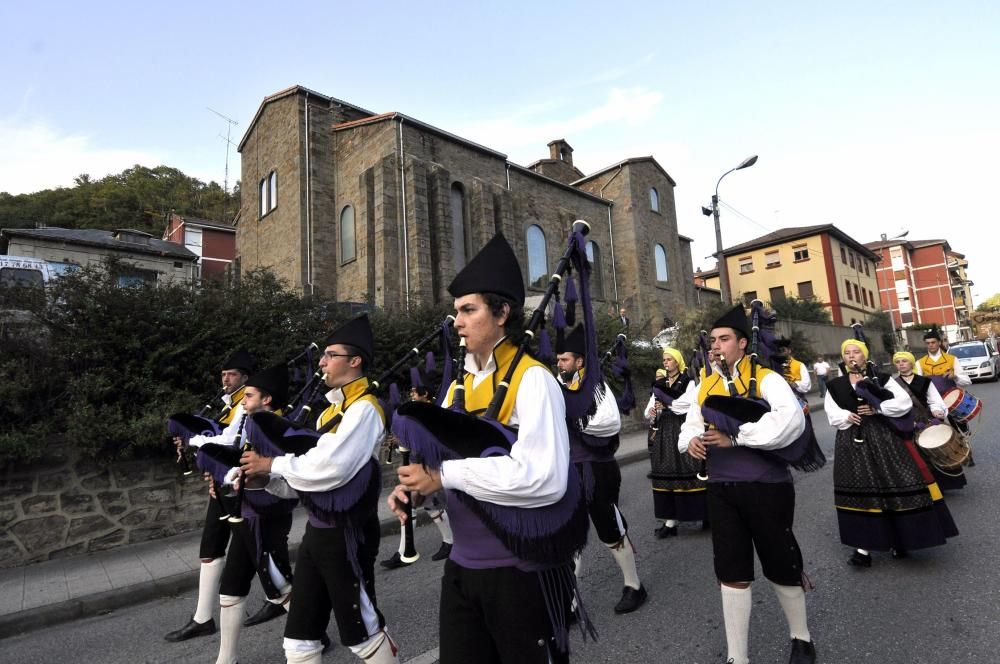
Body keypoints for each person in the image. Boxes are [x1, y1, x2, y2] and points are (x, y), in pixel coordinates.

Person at [389, 233, 581, 664]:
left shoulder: (534, 380)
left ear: (502, 313)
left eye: (468, 310)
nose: (456, 321)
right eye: (456, 311)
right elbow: (443, 462)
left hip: (521, 572)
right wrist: (419, 491)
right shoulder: (456, 387)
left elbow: (543, 479)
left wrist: (443, 477)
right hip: (462, 567)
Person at [240, 314, 400, 664]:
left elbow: (333, 470)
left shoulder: (365, 409)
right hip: (318, 531)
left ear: (354, 361)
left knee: (363, 631)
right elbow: (306, 480)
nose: (322, 362)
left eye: (330, 355)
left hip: (347, 533)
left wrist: (273, 465)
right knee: (299, 637)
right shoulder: (331, 411)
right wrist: (266, 480)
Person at [679, 304, 816, 664]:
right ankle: (737, 657)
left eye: (724, 339)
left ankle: (801, 638)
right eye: (713, 340)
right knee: (731, 569)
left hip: (767, 486)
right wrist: (691, 441)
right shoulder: (705, 383)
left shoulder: (767, 379)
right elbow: (691, 424)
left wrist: (738, 439)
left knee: (780, 562)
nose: (716, 346)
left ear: (742, 343)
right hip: (722, 489)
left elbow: (790, 424)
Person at [166, 348, 280, 642]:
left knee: (259, 554)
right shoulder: (234, 406)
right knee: (211, 548)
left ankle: (291, 609)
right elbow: (226, 437)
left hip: (248, 490)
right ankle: (203, 618)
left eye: (231, 375)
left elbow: (240, 445)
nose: (225, 380)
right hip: (225, 484)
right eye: (223, 375)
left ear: (245, 377)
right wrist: (197, 445)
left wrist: (209, 454)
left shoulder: (255, 407)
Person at [825, 339, 958, 569]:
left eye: (856, 351)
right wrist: (846, 416)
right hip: (852, 442)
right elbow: (831, 411)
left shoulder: (882, 379)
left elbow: (904, 403)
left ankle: (900, 540)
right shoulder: (835, 384)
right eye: (847, 352)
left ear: (865, 356)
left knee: (892, 485)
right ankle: (862, 548)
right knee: (861, 490)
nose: (852, 356)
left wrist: (878, 408)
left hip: (883, 438)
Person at [203, 364, 297, 664]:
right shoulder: (252, 424)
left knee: (279, 584)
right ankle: (226, 659)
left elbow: (289, 478)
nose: (242, 401)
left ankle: (314, 633)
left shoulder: (279, 429)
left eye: (249, 396)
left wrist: (258, 478)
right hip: (246, 512)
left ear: (266, 399)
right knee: (232, 586)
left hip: (268, 516)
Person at [556, 324, 646, 614]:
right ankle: (568, 601)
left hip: (598, 471)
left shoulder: (596, 386)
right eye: (558, 359)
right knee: (571, 534)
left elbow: (610, 422)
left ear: (580, 361)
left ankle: (634, 585)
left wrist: (575, 420)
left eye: (565, 359)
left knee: (609, 529)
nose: (560, 364)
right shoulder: (557, 389)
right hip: (569, 472)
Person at [380, 384, 453, 570]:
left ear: (425, 393)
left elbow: (431, 438)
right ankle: (446, 542)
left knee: (419, 505)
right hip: (415, 463)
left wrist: (405, 439)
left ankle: (407, 552)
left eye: (413, 392)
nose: (411, 395)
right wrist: (399, 443)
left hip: (429, 464)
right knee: (425, 506)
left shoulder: (434, 412)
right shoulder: (416, 413)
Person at [643, 347, 705, 537]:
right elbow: (648, 409)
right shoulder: (659, 383)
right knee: (664, 472)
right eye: (664, 359)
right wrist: (653, 412)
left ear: (677, 361)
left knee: (689, 470)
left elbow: (688, 403)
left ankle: (704, 514)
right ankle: (670, 521)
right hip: (663, 431)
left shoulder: (688, 382)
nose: (666, 362)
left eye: (669, 359)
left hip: (681, 428)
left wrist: (668, 404)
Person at [893, 351, 966, 491]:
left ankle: (941, 486)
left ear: (911, 363)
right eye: (898, 362)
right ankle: (921, 488)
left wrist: (937, 412)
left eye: (904, 361)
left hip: (927, 420)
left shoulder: (924, 381)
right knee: (914, 456)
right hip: (907, 423)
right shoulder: (893, 384)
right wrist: (905, 422)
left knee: (936, 452)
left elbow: (935, 400)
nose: (901, 364)